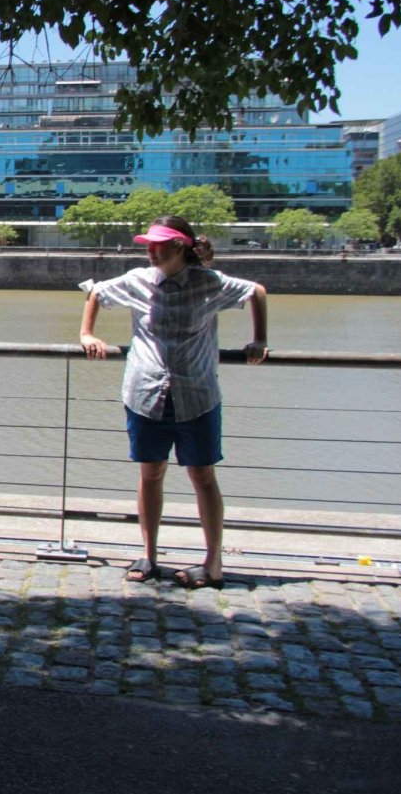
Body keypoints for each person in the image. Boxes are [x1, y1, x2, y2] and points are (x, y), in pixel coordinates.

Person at [79, 214, 268, 590]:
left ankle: (213, 564)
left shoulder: (209, 283)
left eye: (158, 244)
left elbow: (256, 292)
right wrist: (87, 334)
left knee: (202, 476)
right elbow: (96, 292)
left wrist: (259, 340)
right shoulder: (138, 280)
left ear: (180, 246)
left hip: (196, 394)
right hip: (146, 394)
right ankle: (148, 555)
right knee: (150, 474)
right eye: (148, 244)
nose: (150, 250)